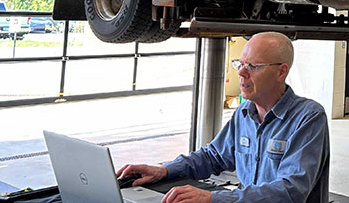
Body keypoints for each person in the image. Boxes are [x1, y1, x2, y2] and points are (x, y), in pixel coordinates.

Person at [117, 32, 330, 203]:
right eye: (241, 64)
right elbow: (213, 157)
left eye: (253, 66)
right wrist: (163, 170)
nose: (241, 73)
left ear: (281, 72)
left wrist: (213, 198)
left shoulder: (308, 117)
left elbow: (290, 192)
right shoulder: (244, 113)